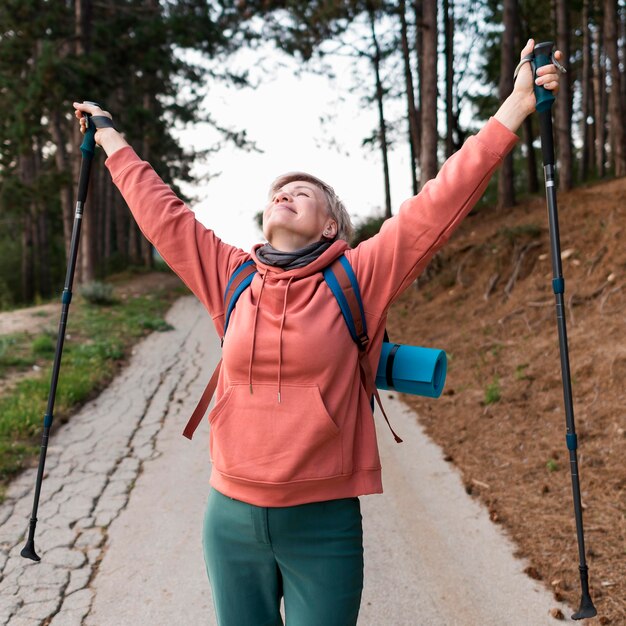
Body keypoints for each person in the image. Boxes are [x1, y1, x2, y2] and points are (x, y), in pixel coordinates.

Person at [74, 38, 562, 626]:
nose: (284, 192)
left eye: (302, 191)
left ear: (331, 225)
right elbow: (160, 211)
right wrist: (108, 136)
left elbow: (440, 201)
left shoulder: (360, 272)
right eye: (278, 191)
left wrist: (514, 110)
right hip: (229, 518)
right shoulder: (229, 273)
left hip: (323, 521)